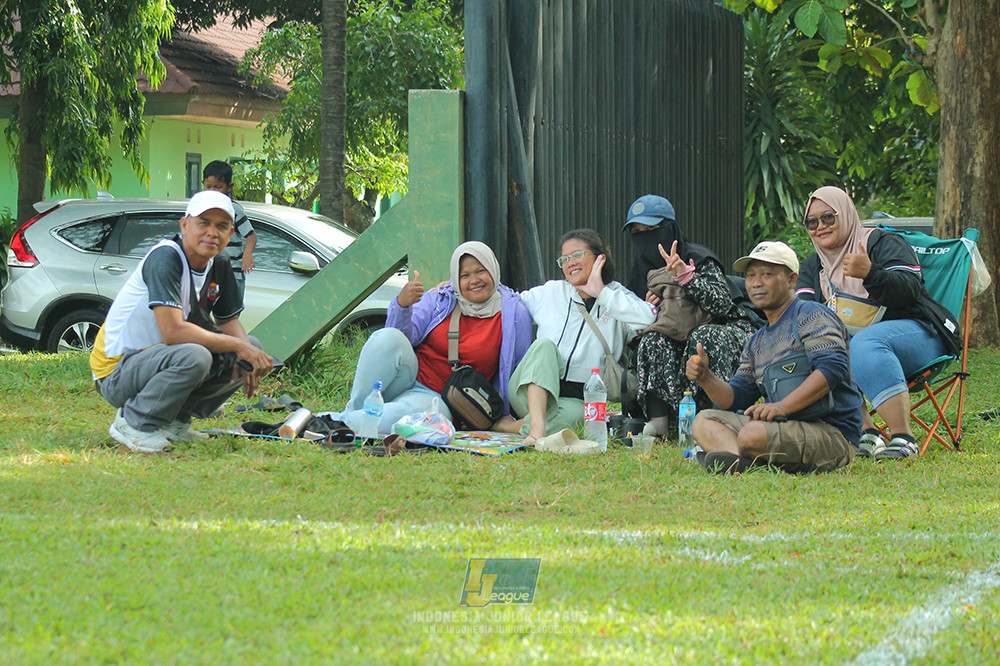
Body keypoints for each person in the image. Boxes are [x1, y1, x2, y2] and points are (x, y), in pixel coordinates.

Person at [89, 191, 276, 453]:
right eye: (204, 223)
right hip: (116, 372)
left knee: (249, 345)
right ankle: (134, 422)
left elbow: (228, 321)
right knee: (196, 355)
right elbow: (173, 332)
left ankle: (175, 422)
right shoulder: (165, 258)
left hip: (159, 360)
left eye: (221, 226)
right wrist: (239, 346)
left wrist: (247, 353)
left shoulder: (218, 263)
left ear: (231, 232)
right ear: (184, 225)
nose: (212, 232)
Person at [796, 186, 961, 460]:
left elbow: (910, 289)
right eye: (811, 222)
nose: (820, 226)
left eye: (828, 217)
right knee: (819, 346)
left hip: (918, 335)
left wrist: (870, 272)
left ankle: (903, 437)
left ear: (846, 214)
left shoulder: (882, 243)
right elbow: (803, 314)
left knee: (866, 341)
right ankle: (866, 432)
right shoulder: (814, 267)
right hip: (855, 350)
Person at [685, 241, 863, 474]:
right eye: (750, 276)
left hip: (832, 433)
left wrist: (782, 407)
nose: (756, 283)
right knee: (703, 421)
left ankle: (740, 457)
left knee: (752, 434)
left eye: (767, 275)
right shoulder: (756, 341)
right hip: (785, 427)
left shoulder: (811, 314)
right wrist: (706, 377)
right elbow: (736, 398)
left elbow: (833, 369)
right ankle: (742, 463)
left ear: (791, 280)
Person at [341, 241, 533, 434]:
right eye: (464, 275)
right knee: (387, 337)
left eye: (480, 271)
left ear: (493, 269)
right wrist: (403, 305)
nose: (474, 280)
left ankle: (337, 422)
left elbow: (518, 367)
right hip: (407, 377)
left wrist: (505, 414)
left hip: (441, 399)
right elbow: (403, 338)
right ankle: (353, 411)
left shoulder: (513, 313)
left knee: (408, 416)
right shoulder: (442, 298)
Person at [624, 195, 758, 435]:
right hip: (675, 336)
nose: (645, 238)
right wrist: (648, 312)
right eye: (638, 232)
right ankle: (662, 421)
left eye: (652, 230)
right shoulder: (640, 273)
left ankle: (718, 415)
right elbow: (633, 337)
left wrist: (688, 278)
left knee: (704, 336)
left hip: (725, 329)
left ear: (670, 229)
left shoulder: (698, 258)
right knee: (653, 340)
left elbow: (722, 305)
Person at [512, 229, 657, 444]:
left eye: (577, 255)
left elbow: (648, 318)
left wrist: (602, 293)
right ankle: (536, 428)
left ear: (600, 258)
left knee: (579, 418)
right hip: (530, 388)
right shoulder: (551, 292)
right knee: (544, 346)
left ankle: (509, 425)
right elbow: (509, 303)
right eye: (564, 259)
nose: (570, 263)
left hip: (578, 398)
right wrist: (452, 289)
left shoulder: (616, 296)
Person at [202, 160, 256, 295]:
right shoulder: (200, 209)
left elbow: (251, 235)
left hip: (232, 274)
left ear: (229, 186)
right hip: (207, 273)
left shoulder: (234, 210)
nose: (213, 191)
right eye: (208, 186)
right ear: (203, 184)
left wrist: (247, 254)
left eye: (218, 187)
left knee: (230, 312)